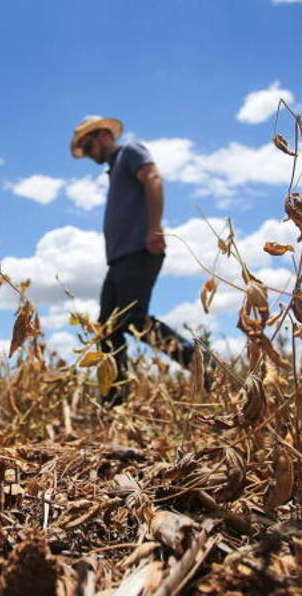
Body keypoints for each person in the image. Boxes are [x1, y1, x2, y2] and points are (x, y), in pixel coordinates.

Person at [70, 115, 198, 404]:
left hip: (138, 251)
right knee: (106, 328)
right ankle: (113, 399)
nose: (89, 156)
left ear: (103, 136)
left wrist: (154, 228)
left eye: (89, 147)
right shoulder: (113, 170)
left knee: (133, 320)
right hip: (117, 260)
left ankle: (203, 366)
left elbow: (152, 177)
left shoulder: (130, 152)